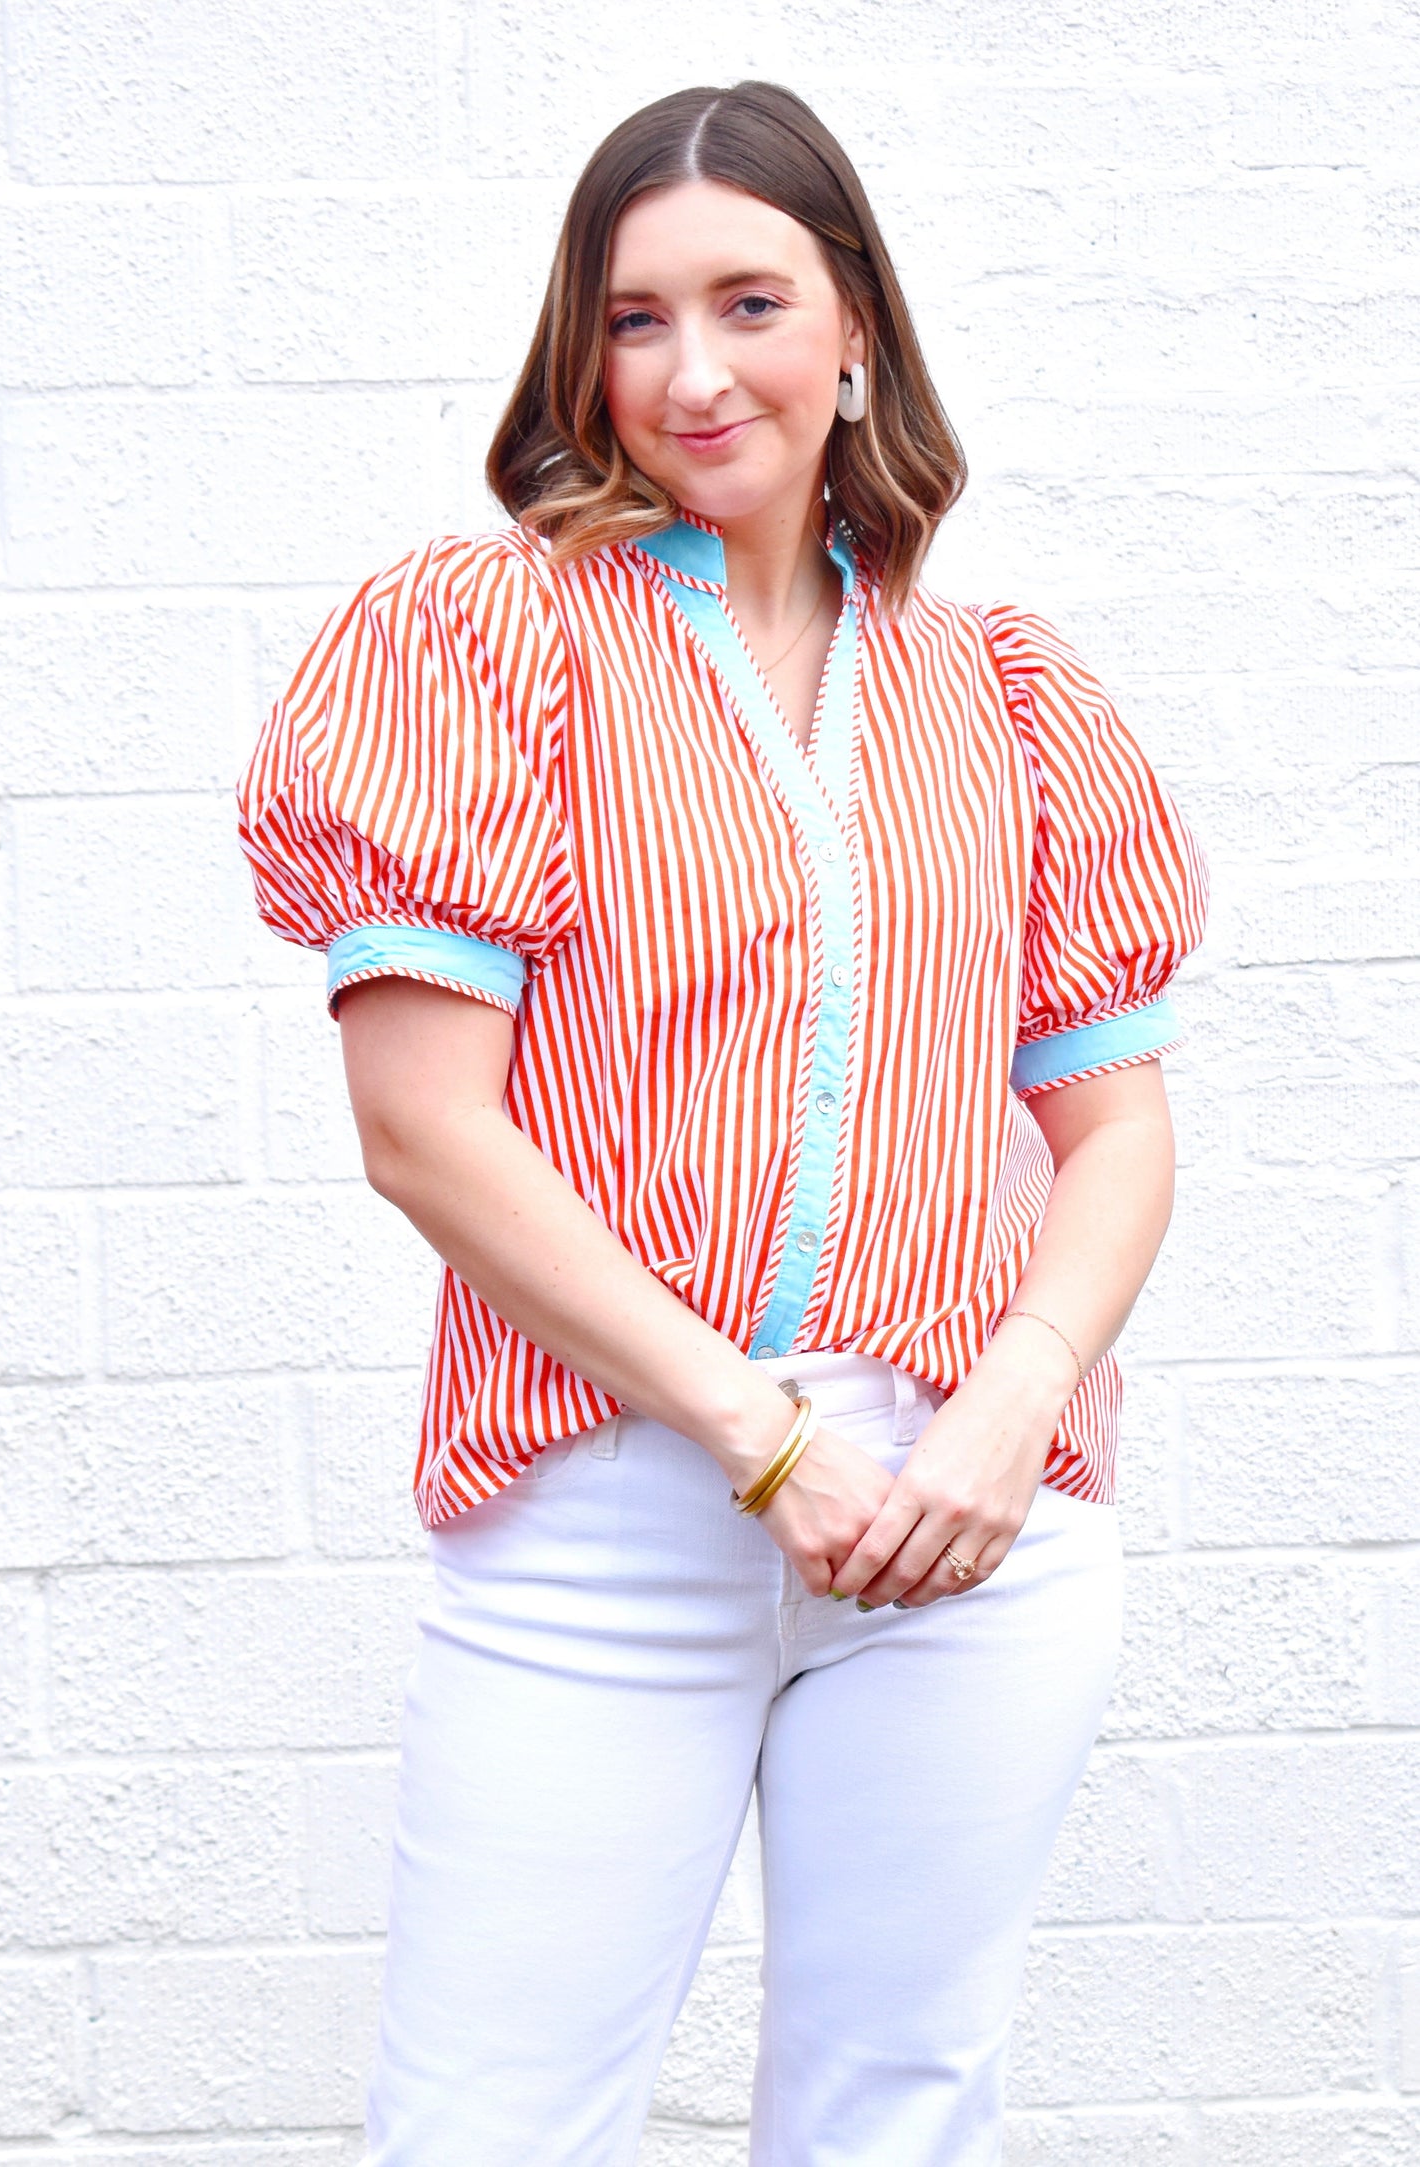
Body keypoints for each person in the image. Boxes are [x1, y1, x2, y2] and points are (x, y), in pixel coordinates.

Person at [236, 78, 1207, 2167]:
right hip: (611, 1501)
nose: (692, 371)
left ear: (852, 323)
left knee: (899, 2111)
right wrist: (760, 1436)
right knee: (493, 2124)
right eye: (635, 314)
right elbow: (425, 1128)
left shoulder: (1013, 695)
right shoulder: (483, 648)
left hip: (970, 1512)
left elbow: (1113, 1132)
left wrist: (1008, 1413)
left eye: (748, 301)